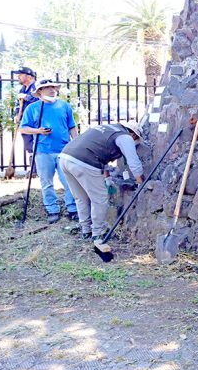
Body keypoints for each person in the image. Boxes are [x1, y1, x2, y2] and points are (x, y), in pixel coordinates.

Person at [59, 122, 145, 252]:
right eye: (136, 140)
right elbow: (133, 162)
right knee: (99, 199)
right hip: (84, 162)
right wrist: (141, 182)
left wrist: (107, 177)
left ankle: (86, 230)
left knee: (80, 198)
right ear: (133, 134)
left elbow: (99, 152)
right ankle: (98, 234)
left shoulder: (107, 128)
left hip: (65, 157)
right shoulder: (125, 137)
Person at [18, 79, 79, 224]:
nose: (52, 90)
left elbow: (71, 126)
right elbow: (23, 128)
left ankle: (72, 208)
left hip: (64, 150)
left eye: (53, 87)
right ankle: (52, 210)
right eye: (47, 88)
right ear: (39, 91)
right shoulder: (33, 108)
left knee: (69, 180)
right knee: (46, 183)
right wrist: (38, 131)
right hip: (42, 151)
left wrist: (76, 144)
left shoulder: (64, 106)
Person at [15, 67, 38, 176]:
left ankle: (37, 170)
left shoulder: (37, 88)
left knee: (36, 144)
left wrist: (27, 97)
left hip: (35, 122)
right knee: (29, 146)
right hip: (25, 122)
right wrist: (16, 115)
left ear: (29, 77)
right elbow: (18, 104)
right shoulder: (22, 89)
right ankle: (33, 169)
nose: (18, 77)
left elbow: (40, 100)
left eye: (20, 74)